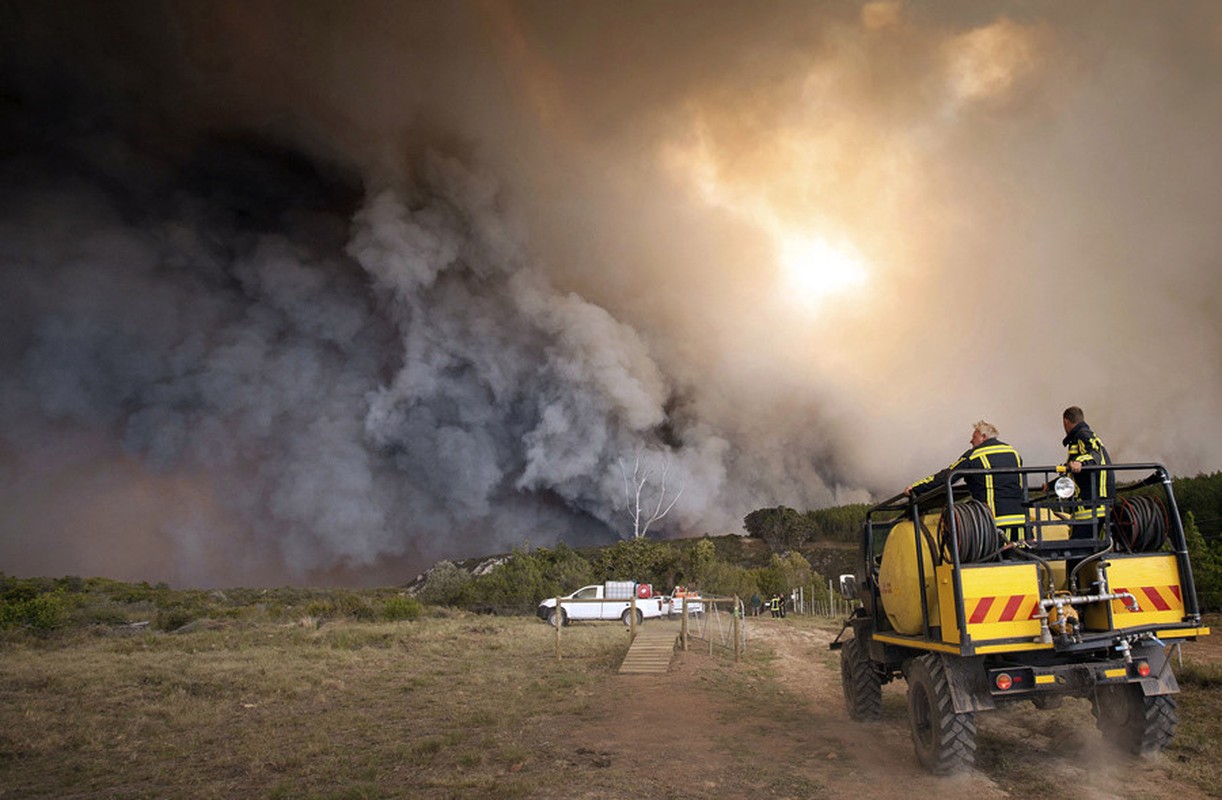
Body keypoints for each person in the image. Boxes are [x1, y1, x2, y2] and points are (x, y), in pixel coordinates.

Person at [905, 421, 1025, 538]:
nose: (971, 441)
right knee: (1019, 554)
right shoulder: (1013, 452)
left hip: (992, 523)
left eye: (974, 437)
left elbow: (946, 476)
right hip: (1021, 520)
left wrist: (915, 487)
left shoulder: (974, 454)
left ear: (983, 437)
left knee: (989, 556)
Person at [1061, 406, 1115, 539]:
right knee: (1086, 552)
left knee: (1076, 554)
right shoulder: (1082, 436)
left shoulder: (1083, 435)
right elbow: (1072, 475)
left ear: (1066, 422)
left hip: (1090, 509)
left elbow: (1094, 454)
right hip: (1095, 508)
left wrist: (1081, 463)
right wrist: (1050, 486)